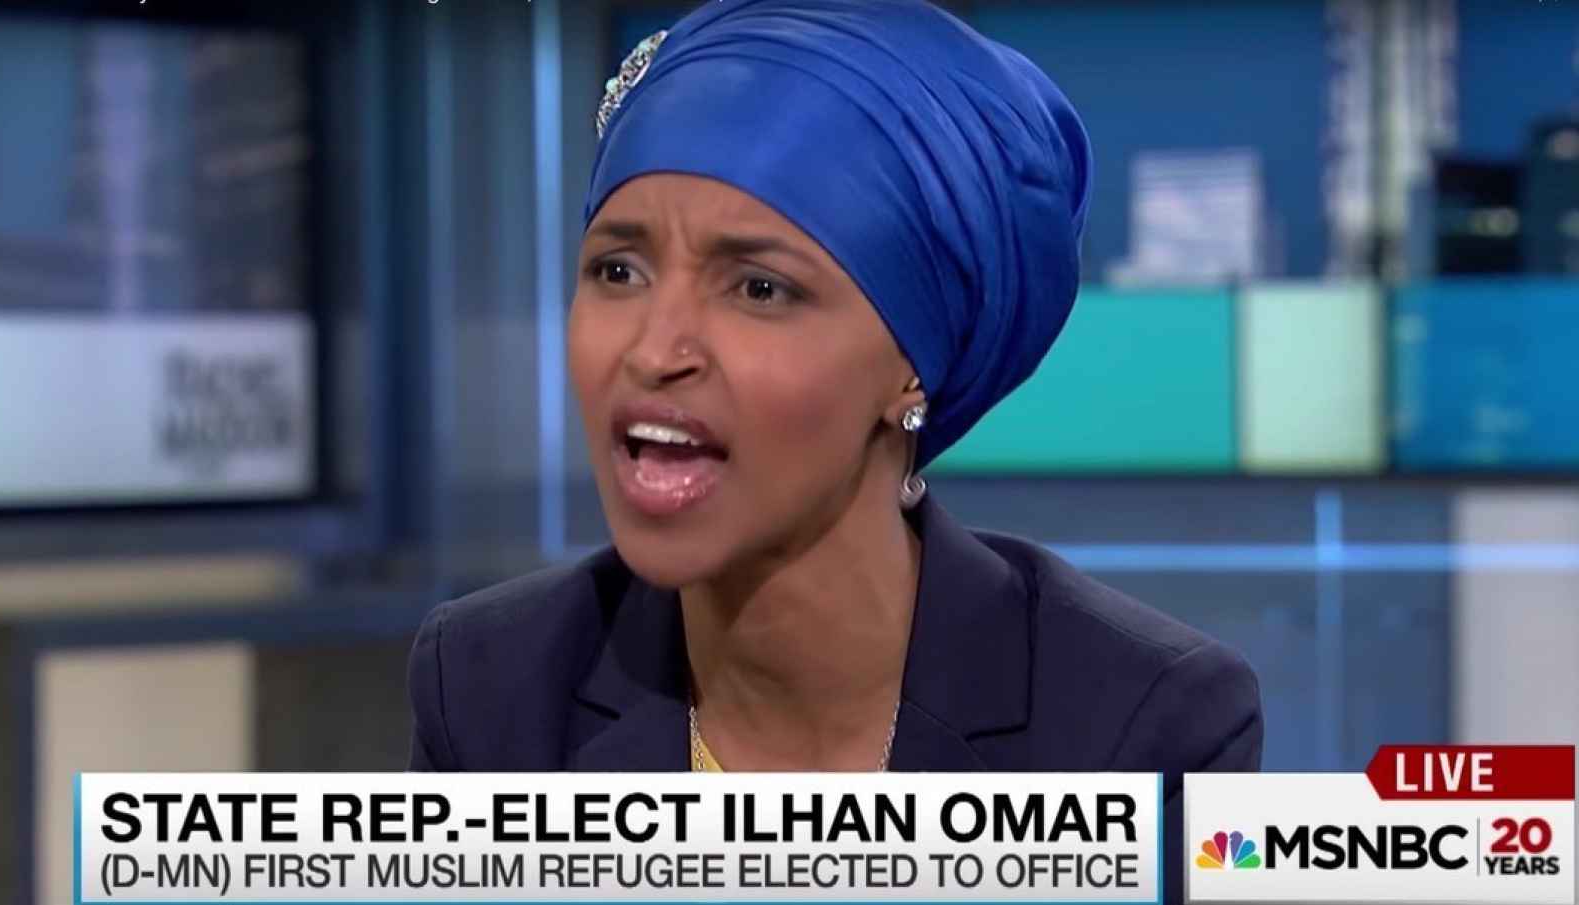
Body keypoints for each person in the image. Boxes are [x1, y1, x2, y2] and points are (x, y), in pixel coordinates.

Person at [407, 0, 1262, 897]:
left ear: (914, 365)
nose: (656, 351)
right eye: (618, 270)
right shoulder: (492, 689)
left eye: (759, 288)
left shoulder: (1140, 730)